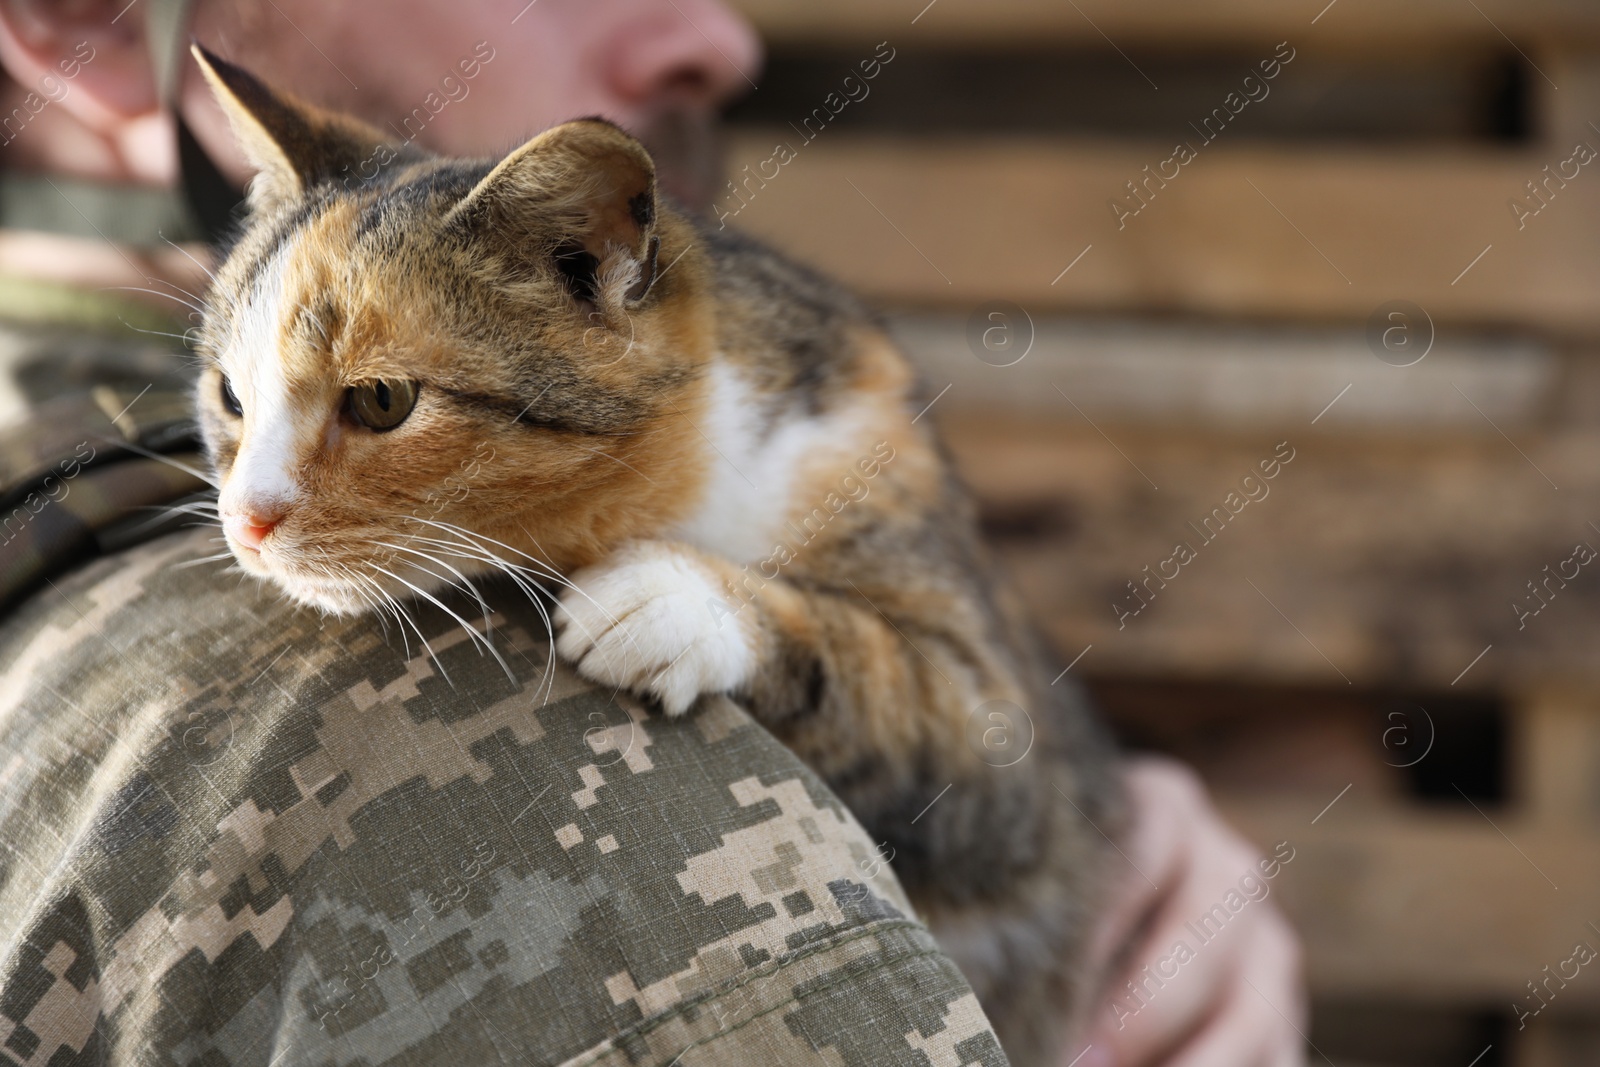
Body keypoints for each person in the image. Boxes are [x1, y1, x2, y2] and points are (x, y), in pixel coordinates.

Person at [0, 1, 1306, 1064]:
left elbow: (977, 742)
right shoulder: (589, 815)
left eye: (379, 403)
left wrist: (1123, 835)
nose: (718, 36)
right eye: (230, 404)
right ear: (88, 19)